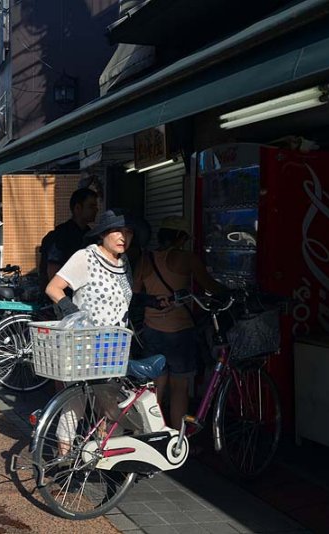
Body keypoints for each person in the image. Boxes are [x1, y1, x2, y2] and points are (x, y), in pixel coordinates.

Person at [45, 210, 135, 455]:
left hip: (114, 346)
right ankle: (62, 456)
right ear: (103, 233)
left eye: (128, 232)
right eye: (117, 231)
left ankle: (103, 455)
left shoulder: (123, 262)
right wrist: (73, 312)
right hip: (84, 342)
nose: (123, 237)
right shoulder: (85, 257)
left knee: (108, 403)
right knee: (76, 401)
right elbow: (54, 288)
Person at [134, 215, 227, 430]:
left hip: (151, 331)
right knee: (179, 388)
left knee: (156, 388)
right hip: (179, 332)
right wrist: (232, 292)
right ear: (180, 237)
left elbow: (136, 294)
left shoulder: (145, 259)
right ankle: (177, 440)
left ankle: (152, 435)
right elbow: (210, 287)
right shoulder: (187, 258)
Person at [39, 188, 99, 295]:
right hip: (62, 296)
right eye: (91, 206)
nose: (96, 210)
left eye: (96, 206)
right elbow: (52, 268)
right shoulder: (61, 235)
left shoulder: (90, 235)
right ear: (77, 208)